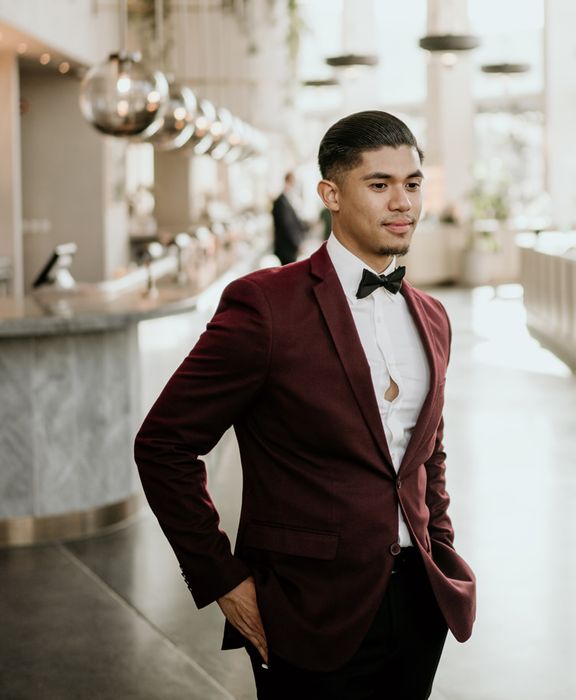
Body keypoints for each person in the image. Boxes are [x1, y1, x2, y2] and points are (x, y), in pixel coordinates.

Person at [134, 110, 476, 700]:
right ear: (331, 194)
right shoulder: (264, 305)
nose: (403, 203)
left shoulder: (433, 315)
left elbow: (428, 450)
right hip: (307, 608)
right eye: (380, 184)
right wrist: (223, 579)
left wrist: (439, 542)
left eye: (413, 184)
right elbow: (163, 444)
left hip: (420, 603)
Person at [271, 171, 309, 264]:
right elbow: (288, 225)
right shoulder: (281, 201)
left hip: (289, 248)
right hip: (286, 249)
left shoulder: (288, 199)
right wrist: (297, 244)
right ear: (289, 181)